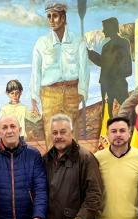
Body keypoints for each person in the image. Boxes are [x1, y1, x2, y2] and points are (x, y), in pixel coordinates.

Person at [31, 1, 90, 149]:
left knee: (71, 132)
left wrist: (82, 92)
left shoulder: (78, 41)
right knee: (51, 132)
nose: (51, 20)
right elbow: (36, 71)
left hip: (72, 91)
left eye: (55, 16)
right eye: (49, 16)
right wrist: (34, 97)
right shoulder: (41, 43)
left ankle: (72, 163)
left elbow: (84, 69)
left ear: (63, 18)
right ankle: (52, 164)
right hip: (49, 93)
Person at [0, 116, 47, 219]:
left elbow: (40, 188)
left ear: (19, 130)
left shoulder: (33, 155)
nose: (9, 131)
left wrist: (38, 215)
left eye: (13, 126)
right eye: (4, 127)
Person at [42, 114, 102, 219]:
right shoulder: (46, 159)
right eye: (55, 133)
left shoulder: (86, 158)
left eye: (63, 132)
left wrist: (82, 218)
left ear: (72, 133)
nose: (58, 136)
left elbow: (94, 193)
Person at [87, 17, 132, 115]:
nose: (103, 31)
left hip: (117, 84)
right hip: (106, 84)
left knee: (127, 110)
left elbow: (126, 66)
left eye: (105, 28)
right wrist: (88, 52)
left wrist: (115, 76)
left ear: (111, 28)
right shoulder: (106, 46)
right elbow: (102, 62)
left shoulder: (123, 43)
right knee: (107, 113)